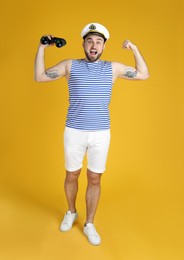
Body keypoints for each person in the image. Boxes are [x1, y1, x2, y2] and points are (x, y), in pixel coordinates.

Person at [34, 22, 149, 246]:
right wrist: (42, 48)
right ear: (84, 45)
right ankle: (71, 211)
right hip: (74, 131)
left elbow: (144, 74)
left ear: (104, 47)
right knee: (72, 175)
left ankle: (89, 224)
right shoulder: (70, 65)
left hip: (100, 133)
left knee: (95, 178)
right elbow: (39, 76)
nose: (93, 45)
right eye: (89, 41)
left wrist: (134, 48)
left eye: (98, 42)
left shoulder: (113, 68)